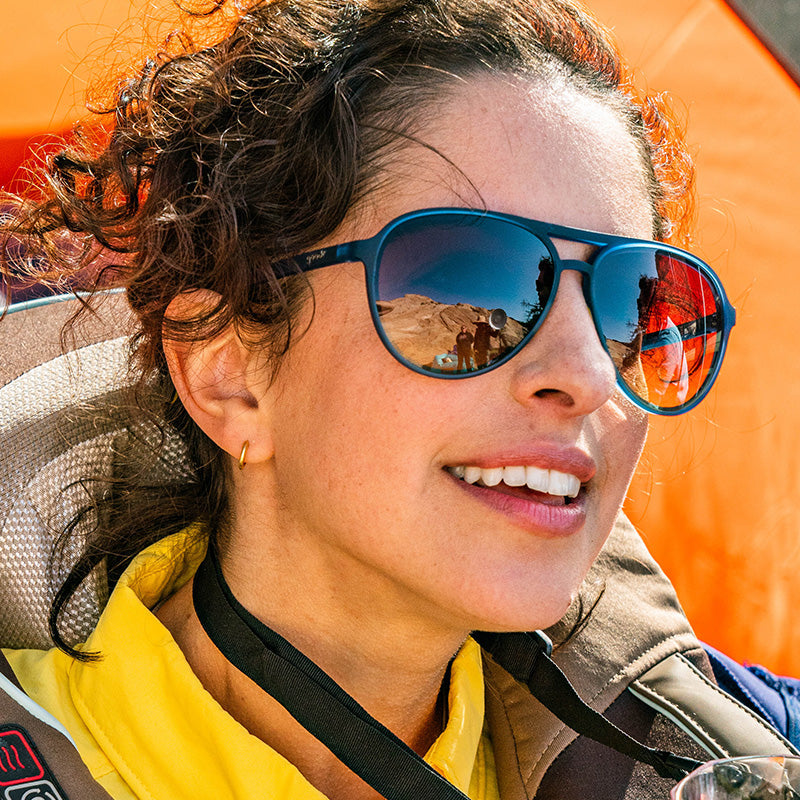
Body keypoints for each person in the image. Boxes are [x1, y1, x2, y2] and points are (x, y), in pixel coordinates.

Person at [0, 1, 764, 799]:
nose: (589, 376)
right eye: (467, 287)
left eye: (628, 308)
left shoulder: (744, 748)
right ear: (227, 377)